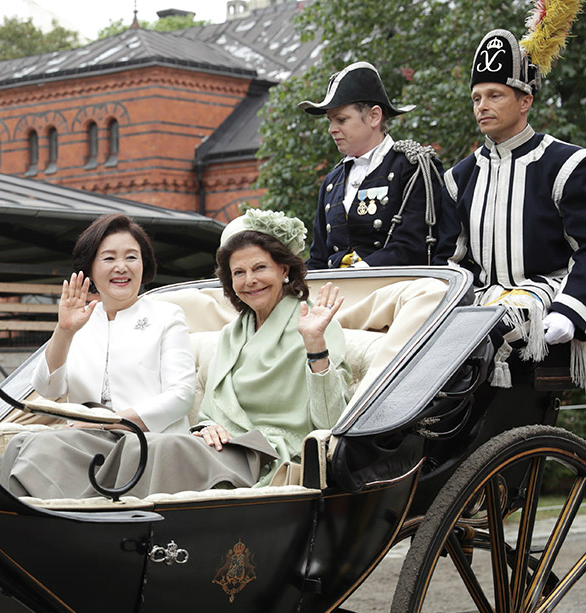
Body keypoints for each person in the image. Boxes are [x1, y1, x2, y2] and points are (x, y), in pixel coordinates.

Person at [0, 213, 245, 499]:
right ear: (90, 266)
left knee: (39, 448)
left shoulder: (166, 315)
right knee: (22, 445)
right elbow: (47, 388)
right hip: (83, 442)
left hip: (146, 441)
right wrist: (64, 331)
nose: (121, 267)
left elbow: (180, 397)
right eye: (109, 258)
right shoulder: (79, 320)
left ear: (144, 264)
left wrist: (109, 422)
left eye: (131, 257)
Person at [444, 29, 586, 386]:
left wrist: (570, 310)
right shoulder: (458, 176)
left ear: (525, 101)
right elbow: (451, 259)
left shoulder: (567, 164)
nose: (482, 106)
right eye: (476, 98)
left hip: (545, 292)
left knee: (481, 336)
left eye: (494, 95)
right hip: (480, 298)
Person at [196, 210, 352, 485]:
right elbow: (209, 413)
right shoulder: (232, 334)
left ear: (283, 269)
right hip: (223, 450)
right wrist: (208, 429)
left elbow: (332, 421)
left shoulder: (315, 323)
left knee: (167, 451)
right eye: (239, 273)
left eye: (259, 268)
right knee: (151, 447)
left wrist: (315, 344)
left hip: (275, 456)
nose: (250, 281)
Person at [299, 62, 456, 271]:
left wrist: (359, 274)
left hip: (394, 290)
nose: (331, 129)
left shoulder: (413, 168)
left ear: (374, 116)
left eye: (341, 120)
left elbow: (412, 247)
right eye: (330, 121)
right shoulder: (331, 181)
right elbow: (319, 257)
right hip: (337, 292)